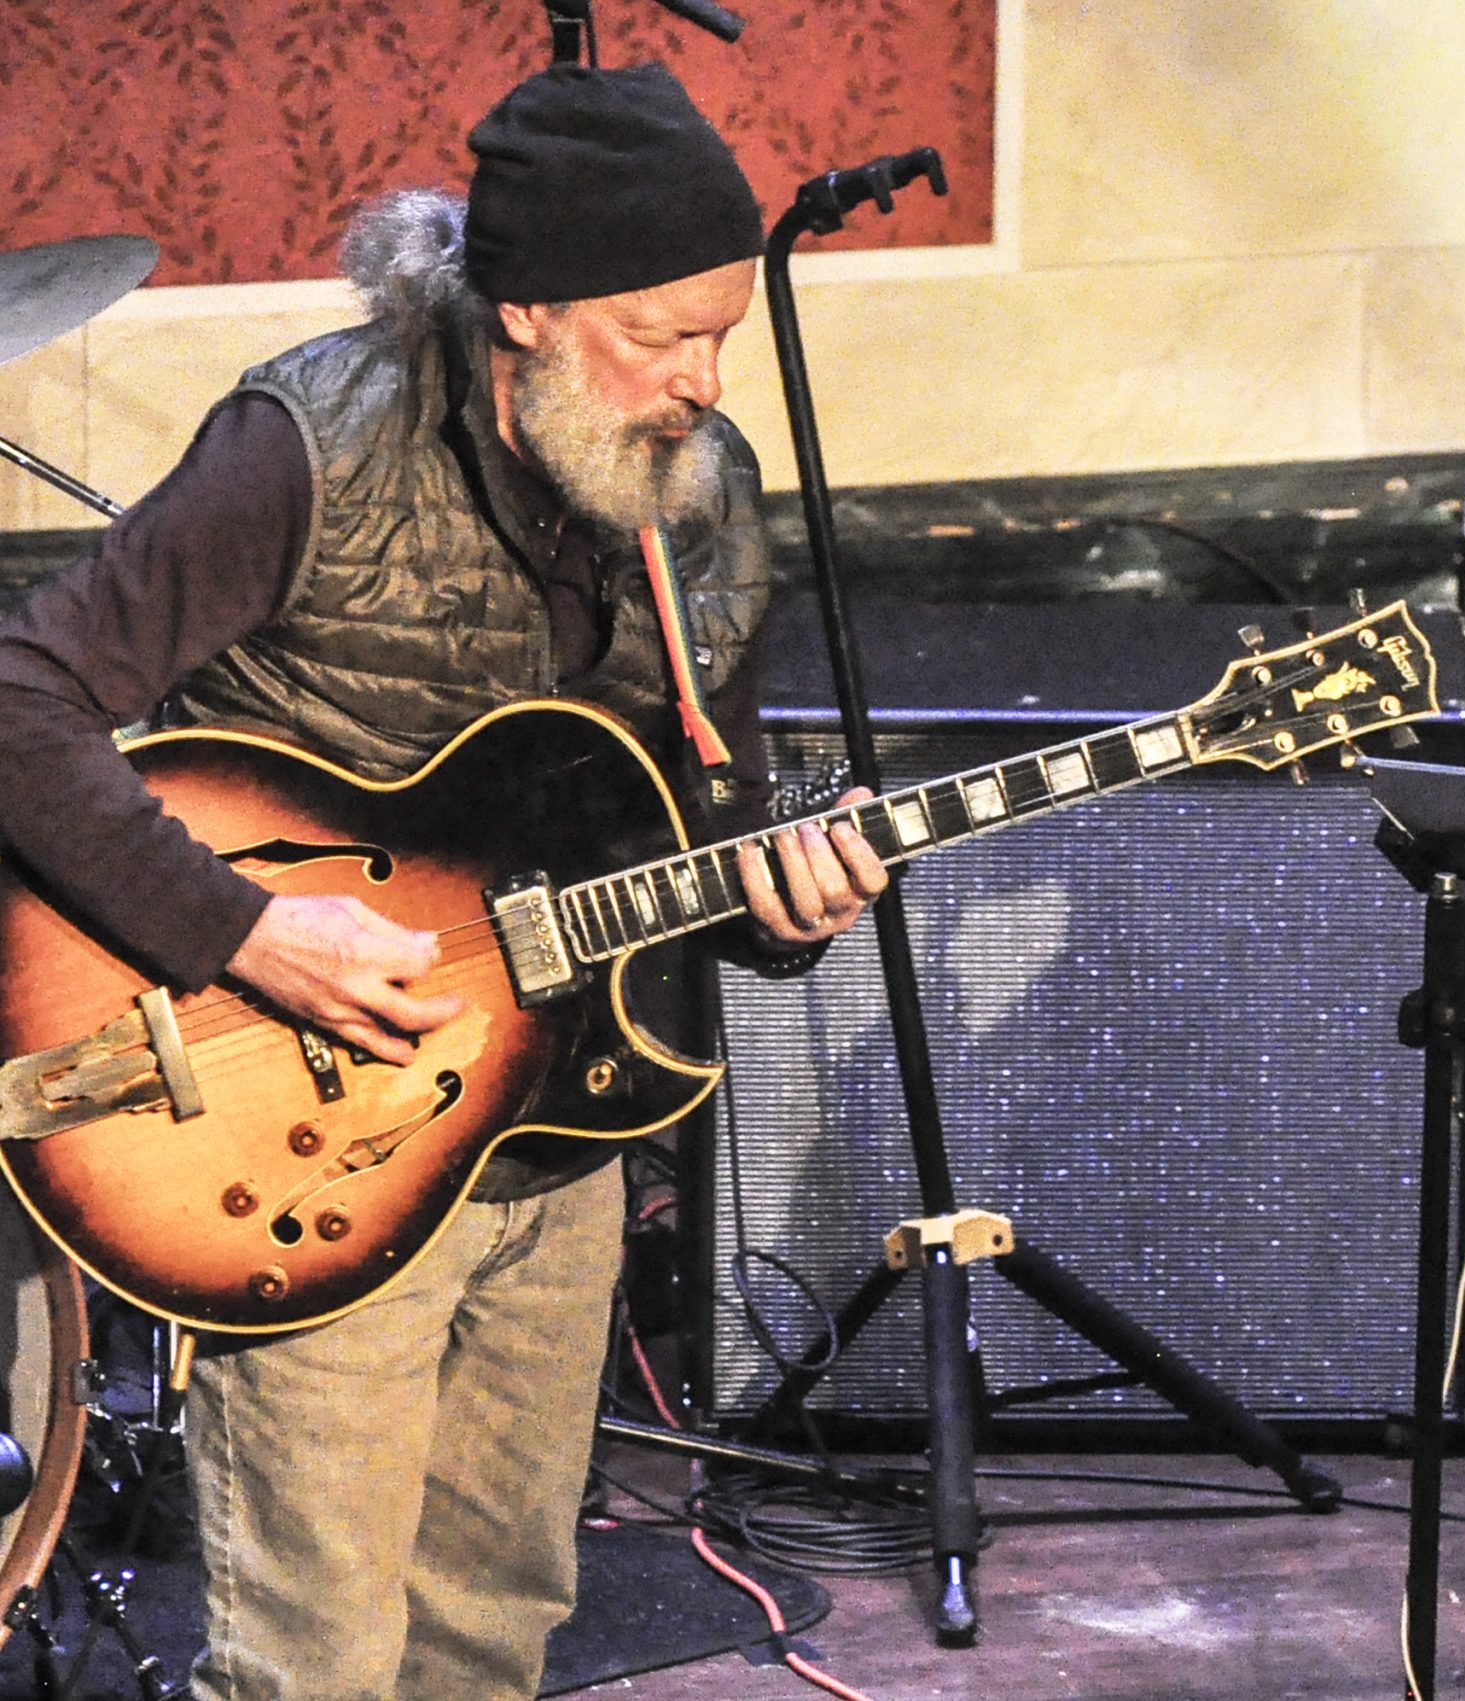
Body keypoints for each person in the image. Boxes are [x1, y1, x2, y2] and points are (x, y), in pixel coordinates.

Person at [0, 64, 888, 1700]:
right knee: (316, 1665)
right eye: (661, 336)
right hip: (303, 1133)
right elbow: (21, 693)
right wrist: (248, 928)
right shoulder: (304, 447)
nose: (702, 383)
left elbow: (709, 825)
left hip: (556, 1139)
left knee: (493, 1631)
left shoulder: (703, 493)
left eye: (722, 335)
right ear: (531, 312)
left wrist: (787, 906)